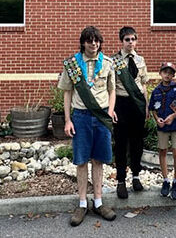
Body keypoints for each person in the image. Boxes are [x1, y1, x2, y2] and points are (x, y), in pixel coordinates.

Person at [58, 26, 117, 226]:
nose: (94, 44)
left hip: (101, 117)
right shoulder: (73, 64)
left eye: (97, 41)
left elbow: (112, 90)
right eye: (90, 40)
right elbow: (67, 92)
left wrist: (109, 112)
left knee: (99, 160)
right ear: (83, 42)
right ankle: (82, 203)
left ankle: (98, 202)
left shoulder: (108, 63)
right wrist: (67, 119)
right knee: (81, 161)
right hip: (81, 117)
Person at [111, 26, 149, 199]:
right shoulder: (114, 61)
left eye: (133, 39)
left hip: (137, 105)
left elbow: (144, 85)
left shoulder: (140, 60)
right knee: (120, 144)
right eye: (127, 39)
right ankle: (120, 181)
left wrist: (146, 107)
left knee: (137, 142)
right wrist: (111, 109)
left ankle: (136, 176)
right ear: (122, 41)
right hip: (121, 104)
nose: (130, 42)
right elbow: (109, 87)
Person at [148, 62, 176, 200]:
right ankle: (165, 180)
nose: (167, 75)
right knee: (163, 151)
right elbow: (153, 108)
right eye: (165, 72)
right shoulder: (156, 91)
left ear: (173, 75)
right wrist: (157, 119)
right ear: (160, 73)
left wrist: (173, 116)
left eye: (170, 73)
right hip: (162, 127)